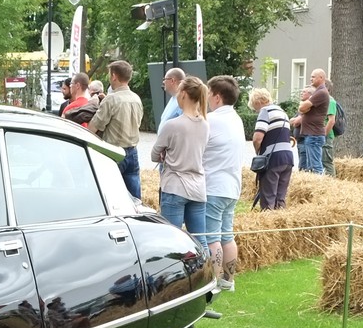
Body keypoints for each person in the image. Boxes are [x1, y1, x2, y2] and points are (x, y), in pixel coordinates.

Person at [151, 75, 209, 252]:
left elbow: (154, 154)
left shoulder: (172, 125)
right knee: (201, 242)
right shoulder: (205, 124)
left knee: (171, 241)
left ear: (183, 93)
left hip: (175, 185)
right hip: (198, 187)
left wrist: (164, 155)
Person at [202, 76, 247, 290]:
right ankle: (229, 279)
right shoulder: (236, 119)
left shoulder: (212, 120)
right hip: (232, 186)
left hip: (214, 185)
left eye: (209, 94)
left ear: (217, 97)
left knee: (212, 237)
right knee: (227, 235)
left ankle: (215, 280)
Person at [87, 58, 144, 198]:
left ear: (114, 76)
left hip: (114, 152)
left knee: (111, 196)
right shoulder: (136, 98)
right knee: (134, 198)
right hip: (133, 152)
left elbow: (92, 128)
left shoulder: (111, 99)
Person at [250, 88, 296, 210]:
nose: (255, 111)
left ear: (257, 102)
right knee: (280, 199)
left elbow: (257, 138)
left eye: (254, 108)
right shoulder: (283, 112)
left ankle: (267, 224)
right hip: (288, 158)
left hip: (273, 159)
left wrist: (258, 152)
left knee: (268, 198)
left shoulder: (265, 111)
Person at [296, 69, 332, 173]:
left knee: (316, 166)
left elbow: (302, 107)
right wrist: (304, 107)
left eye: (313, 77)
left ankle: (321, 187)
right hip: (312, 135)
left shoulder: (321, 92)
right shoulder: (318, 91)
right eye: (311, 76)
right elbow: (302, 107)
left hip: (314, 135)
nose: (310, 79)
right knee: (311, 166)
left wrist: (304, 106)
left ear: (321, 78)